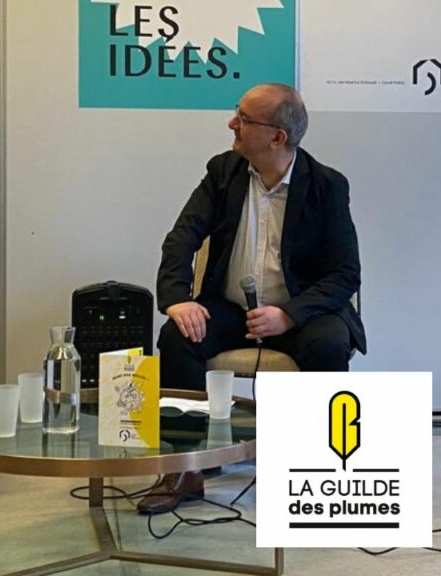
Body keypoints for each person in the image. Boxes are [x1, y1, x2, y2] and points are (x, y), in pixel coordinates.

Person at [146, 83, 365, 515]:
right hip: (232, 310)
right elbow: (181, 239)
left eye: (244, 119)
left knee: (328, 344)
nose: (232, 123)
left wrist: (289, 314)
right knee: (178, 336)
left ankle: (318, 473)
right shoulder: (223, 171)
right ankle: (185, 468)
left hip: (303, 312)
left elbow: (345, 273)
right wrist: (177, 299)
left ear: (277, 137)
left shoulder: (327, 186)